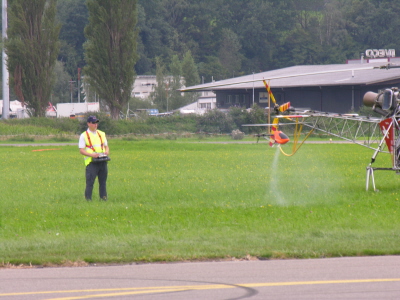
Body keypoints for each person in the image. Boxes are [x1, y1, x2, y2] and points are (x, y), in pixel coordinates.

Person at [79, 116, 110, 201]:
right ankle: (88, 199)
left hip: (102, 161)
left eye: (96, 123)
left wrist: (106, 152)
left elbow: (106, 146)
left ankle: (103, 198)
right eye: (93, 123)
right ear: (88, 124)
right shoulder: (84, 135)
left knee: (103, 182)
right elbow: (81, 150)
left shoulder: (102, 134)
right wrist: (92, 155)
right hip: (91, 162)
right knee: (90, 183)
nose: (95, 125)